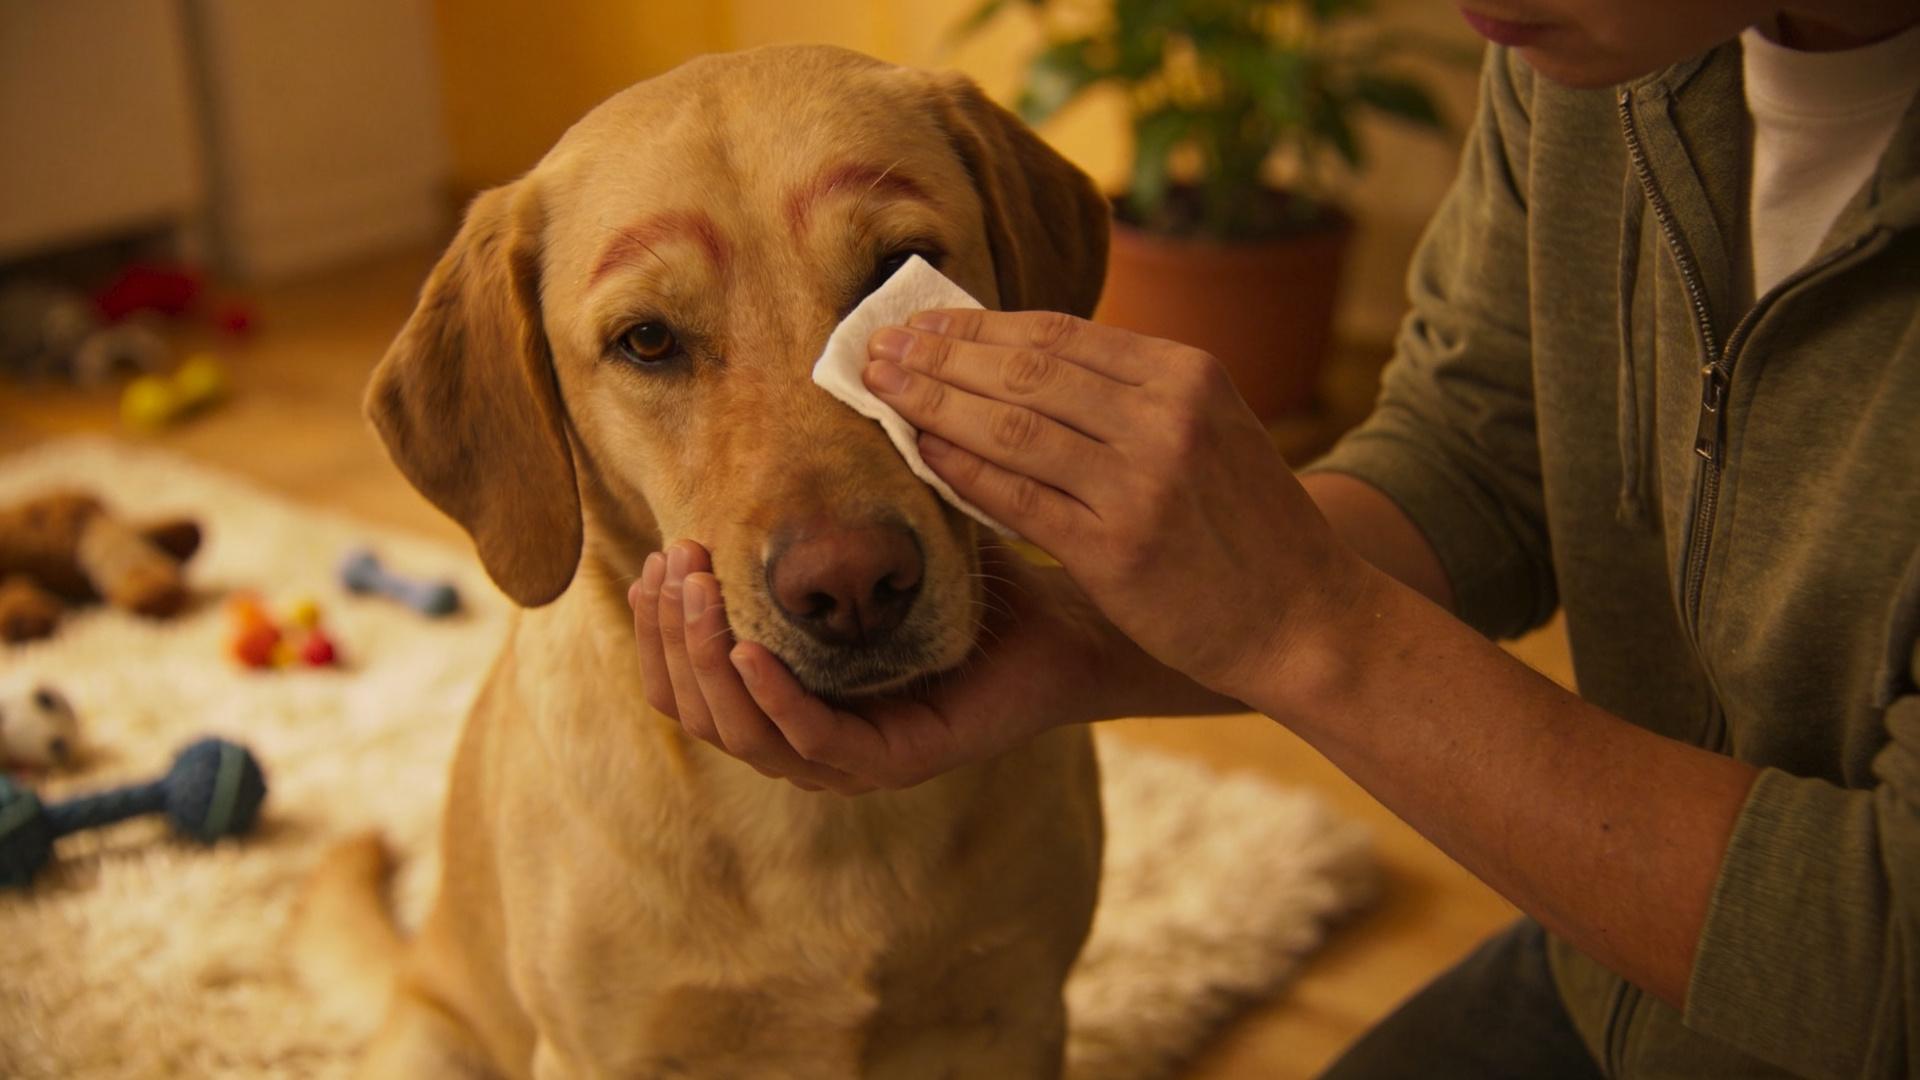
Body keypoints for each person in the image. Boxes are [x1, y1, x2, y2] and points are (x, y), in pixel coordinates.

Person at [628, 2, 1920, 1075]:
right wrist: (1081, 640)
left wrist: (1308, 629)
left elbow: (1887, 960)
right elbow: (1481, 452)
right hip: (1628, 985)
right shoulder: (1607, 48)